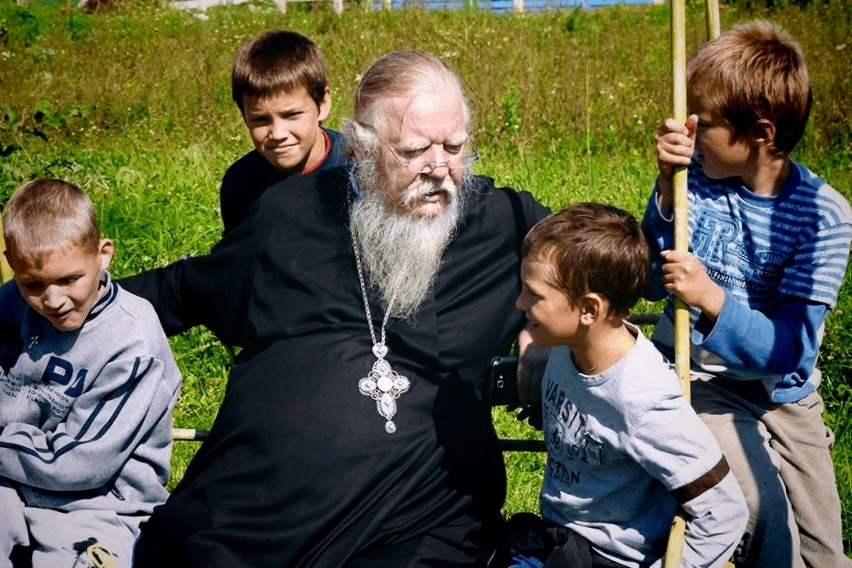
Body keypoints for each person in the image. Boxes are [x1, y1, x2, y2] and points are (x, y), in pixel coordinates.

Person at [121, 50, 550, 567]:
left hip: (417, 512)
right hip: (261, 511)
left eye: (454, 146)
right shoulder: (288, 214)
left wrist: (545, 324)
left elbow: (605, 258)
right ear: (365, 149)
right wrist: (56, 301)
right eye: (416, 150)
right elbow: (182, 289)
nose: (440, 168)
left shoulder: (499, 221)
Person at [645, 21, 852, 568]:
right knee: (769, 530)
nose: (686, 132)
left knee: (825, 550)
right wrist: (666, 190)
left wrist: (711, 297)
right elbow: (645, 277)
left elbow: (790, 351)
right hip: (705, 382)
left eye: (704, 122)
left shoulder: (821, 215)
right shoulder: (694, 180)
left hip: (787, 393)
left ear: (760, 132)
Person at [501, 203, 746, 568]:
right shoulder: (566, 346)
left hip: (611, 558)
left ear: (589, 310)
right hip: (557, 539)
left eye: (533, 295)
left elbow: (725, 512)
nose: (519, 302)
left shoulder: (643, 400)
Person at [0, 179, 182, 568]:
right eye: (32, 284)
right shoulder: (10, 303)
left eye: (69, 280)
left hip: (95, 503)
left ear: (103, 255)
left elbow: (80, 463)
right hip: (10, 480)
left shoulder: (130, 340)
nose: (52, 300)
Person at [220, 29, 348, 234]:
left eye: (291, 115)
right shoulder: (240, 183)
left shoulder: (360, 168)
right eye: (260, 119)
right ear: (244, 116)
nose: (278, 134)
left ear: (323, 104)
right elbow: (239, 258)